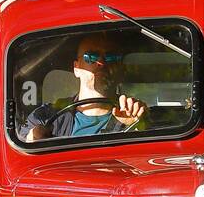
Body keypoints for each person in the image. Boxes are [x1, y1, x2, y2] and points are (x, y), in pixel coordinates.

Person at [21, 32, 150, 141]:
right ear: (76, 68)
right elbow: (19, 153)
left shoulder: (134, 115)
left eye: (111, 57)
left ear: (121, 70)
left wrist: (139, 126)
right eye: (91, 57)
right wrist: (32, 139)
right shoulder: (45, 117)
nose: (101, 62)